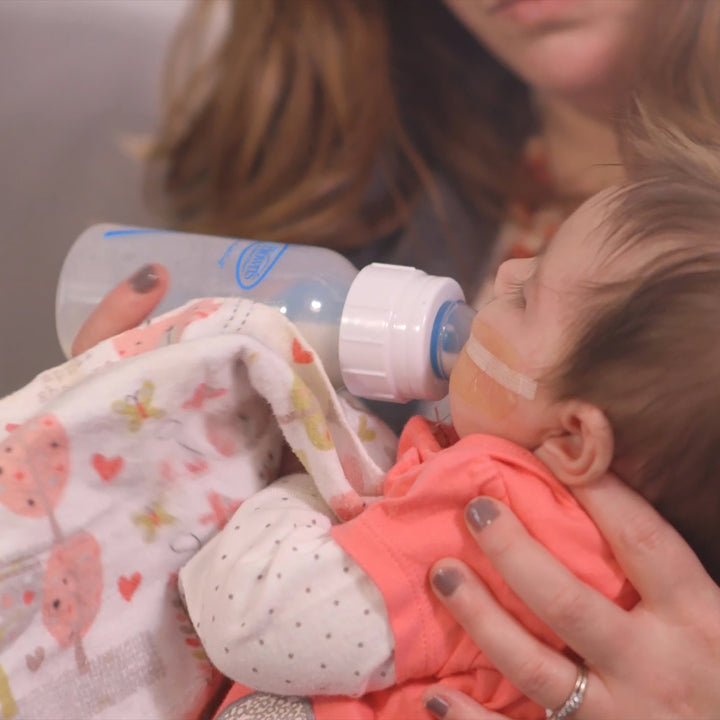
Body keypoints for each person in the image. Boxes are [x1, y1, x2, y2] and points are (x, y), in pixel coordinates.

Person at [70, 1, 720, 717]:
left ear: (575, 438)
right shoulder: (348, 173)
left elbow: (256, 614)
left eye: (531, 294)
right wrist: (141, 444)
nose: (505, 279)